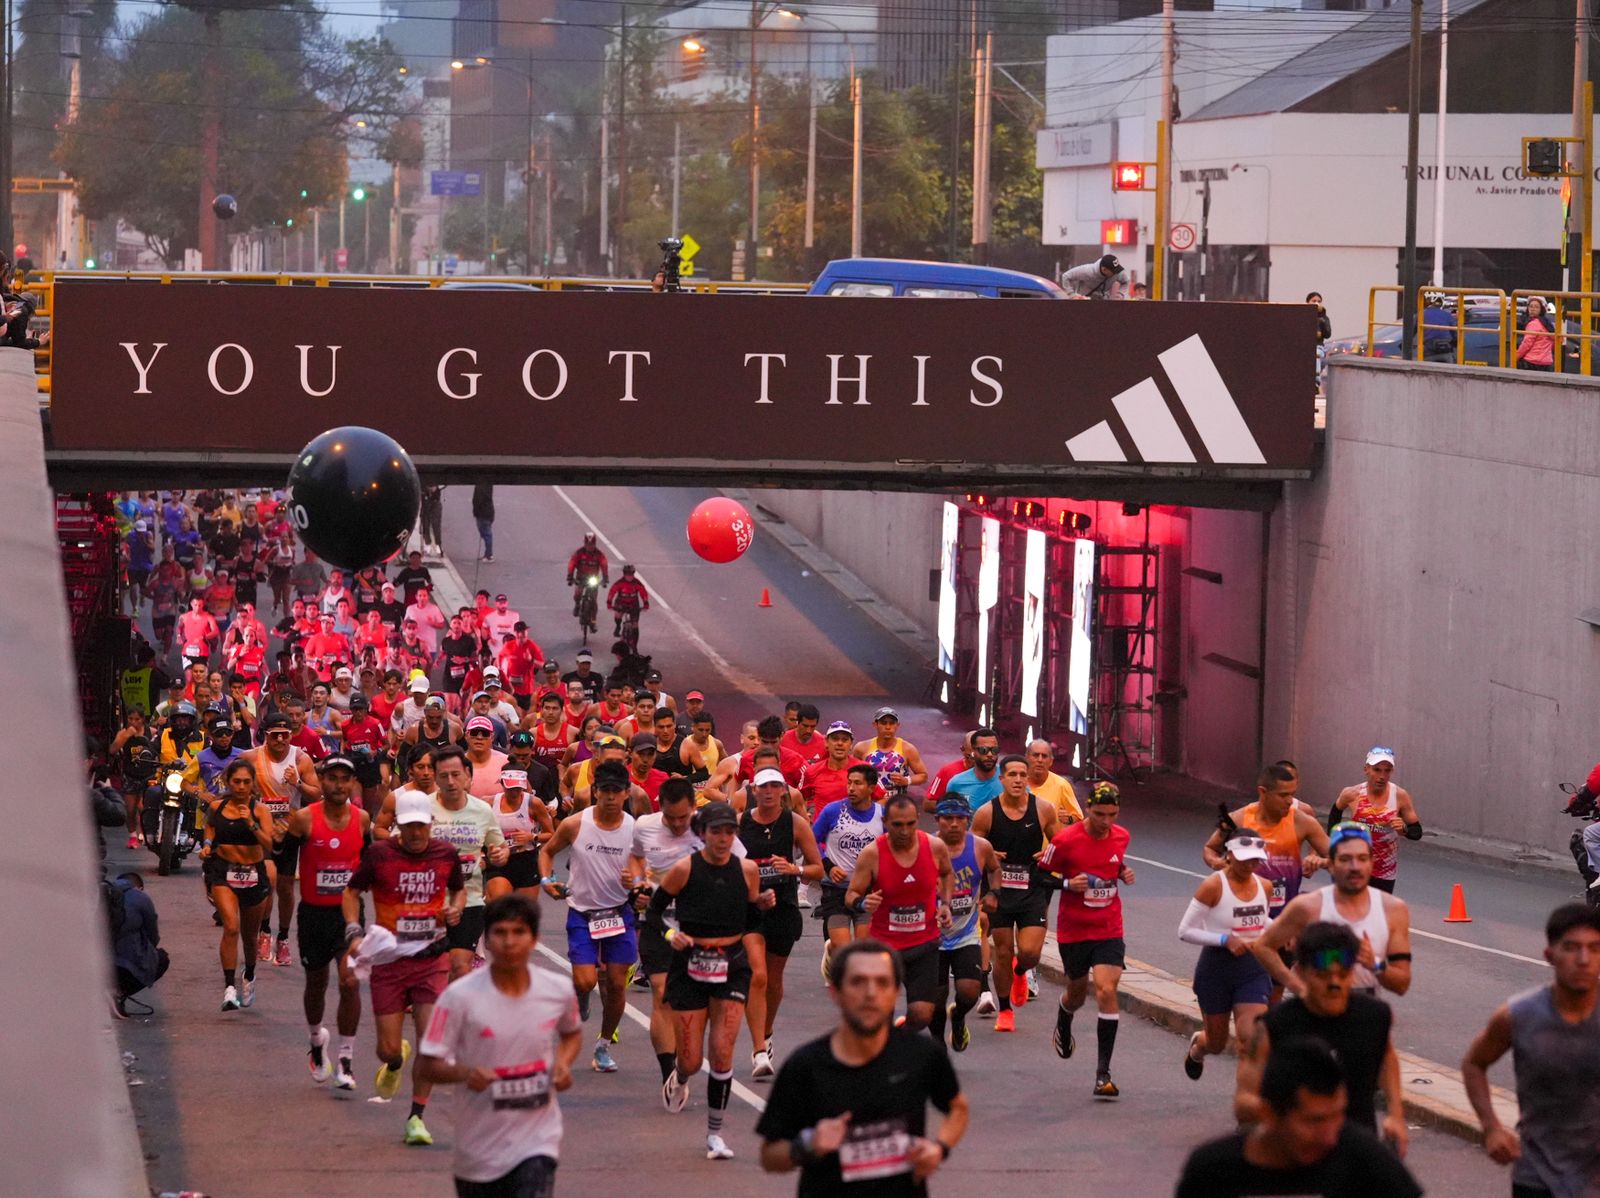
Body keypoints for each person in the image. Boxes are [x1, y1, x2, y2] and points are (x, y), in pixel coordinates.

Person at [757, 939, 968, 1195]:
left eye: (882, 983)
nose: (870, 993)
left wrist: (939, 1148)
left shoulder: (922, 1055)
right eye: (858, 982)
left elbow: (957, 1109)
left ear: (895, 993)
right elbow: (770, 1156)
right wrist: (808, 1145)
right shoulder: (806, 1065)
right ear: (835, 991)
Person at [417, 894, 582, 1196]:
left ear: (535, 939)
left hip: (537, 1140)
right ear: (487, 941)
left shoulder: (556, 990)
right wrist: (466, 1074)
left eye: (519, 932)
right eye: (500, 933)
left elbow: (572, 1032)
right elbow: (428, 1064)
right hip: (478, 1148)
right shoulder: (458, 998)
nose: (509, 942)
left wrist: (562, 1063)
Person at [343, 790, 466, 1146]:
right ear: (398, 826)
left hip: (432, 959)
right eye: (408, 827)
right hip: (390, 961)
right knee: (388, 1050)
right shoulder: (380, 854)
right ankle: (396, 1063)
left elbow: (458, 891)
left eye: (421, 826)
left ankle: (416, 1117)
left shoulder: (446, 854)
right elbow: (352, 893)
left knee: (431, 1044)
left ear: (431, 824)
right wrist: (353, 931)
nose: (415, 834)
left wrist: (455, 909)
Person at [647, 800, 763, 1160]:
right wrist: (671, 937)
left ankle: (715, 1135)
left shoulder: (747, 871)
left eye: (730, 831)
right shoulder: (684, 869)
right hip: (690, 966)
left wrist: (763, 906)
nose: (724, 838)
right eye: (716, 831)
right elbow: (653, 915)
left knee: (723, 1050)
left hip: (731, 964)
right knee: (693, 1059)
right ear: (702, 834)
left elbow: (752, 922)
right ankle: (680, 1077)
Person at [1462, 903, 1600, 1198]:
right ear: (1550, 956)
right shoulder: (1519, 1015)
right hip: (1536, 1178)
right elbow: (1474, 1064)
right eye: (1572, 948)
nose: (1584, 959)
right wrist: (1491, 1127)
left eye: (1594, 948)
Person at [1235, 922, 1407, 1152]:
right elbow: (1243, 1101)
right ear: (1301, 972)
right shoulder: (1273, 1026)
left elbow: (1387, 1057)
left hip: (1357, 1148)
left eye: (1343, 974)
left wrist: (1395, 1115)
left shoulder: (1375, 1016)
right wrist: (1293, 1115)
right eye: (1323, 975)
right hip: (1295, 1154)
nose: (1335, 983)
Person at [1178, 1036, 1421, 1198]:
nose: (1329, 1137)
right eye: (1313, 1121)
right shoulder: (1212, 1170)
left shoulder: (1363, 1156)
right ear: (1268, 1114)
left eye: (1336, 1116)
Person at [538, 761, 639, 1073]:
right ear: (595, 791)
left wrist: (634, 879)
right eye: (604, 790)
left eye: (615, 791)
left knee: (616, 986)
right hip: (582, 914)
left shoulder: (634, 828)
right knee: (586, 980)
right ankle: (581, 994)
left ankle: (603, 1045)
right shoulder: (576, 824)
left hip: (619, 913)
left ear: (626, 793)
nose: (609, 797)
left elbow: (643, 865)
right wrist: (547, 881)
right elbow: (546, 851)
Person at [1037, 780, 1131, 1098]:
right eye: (1100, 813)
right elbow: (1040, 875)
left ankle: (1103, 1074)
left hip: (1108, 928)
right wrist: (1066, 885)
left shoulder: (1122, 836)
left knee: (1106, 989)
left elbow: (1112, 865)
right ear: (1087, 808)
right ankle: (1065, 1016)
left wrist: (1122, 873)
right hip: (1074, 930)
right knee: (1077, 994)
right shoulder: (1065, 840)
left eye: (1112, 814)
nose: (1106, 822)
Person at [281, 754, 370, 1090]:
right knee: (316, 983)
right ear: (322, 781)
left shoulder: (361, 820)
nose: (338, 785)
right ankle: (317, 1040)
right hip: (313, 914)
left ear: (352, 783)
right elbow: (286, 870)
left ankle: (346, 1058)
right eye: (331, 778)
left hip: (348, 916)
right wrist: (281, 925)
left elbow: (371, 866)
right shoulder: (303, 819)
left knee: (350, 981)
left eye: (344, 779)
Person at [1250, 823, 1413, 999]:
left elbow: (1402, 984)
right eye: (1345, 859)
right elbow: (1263, 946)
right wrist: (1295, 986)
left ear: (1372, 863)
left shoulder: (1393, 910)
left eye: (1362, 858)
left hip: (1363, 1007)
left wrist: (1375, 964)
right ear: (1331, 864)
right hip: (1315, 1006)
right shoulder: (1307, 907)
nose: (1355, 867)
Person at [740, 766, 825, 1078]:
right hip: (750, 909)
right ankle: (758, 1049)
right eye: (763, 786)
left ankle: (768, 1030)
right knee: (757, 976)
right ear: (753, 790)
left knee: (773, 981)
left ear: (783, 792)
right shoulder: (742, 822)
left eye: (775, 786)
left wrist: (794, 870)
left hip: (784, 908)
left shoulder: (795, 823)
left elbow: (817, 868)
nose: (769, 792)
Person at [844, 795, 955, 1032]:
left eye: (910, 824)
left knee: (922, 1015)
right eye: (897, 825)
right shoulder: (872, 854)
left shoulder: (934, 847)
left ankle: (895, 1042)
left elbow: (947, 874)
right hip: (885, 948)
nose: (905, 831)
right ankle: (883, 1054)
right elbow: (851, 894)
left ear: (918, 821)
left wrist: (945, 904)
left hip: (924, 943)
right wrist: (863, 902)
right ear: (885, 822)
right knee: (880, 1016)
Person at [971, 754, 1061, 1029]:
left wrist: (1049, 850)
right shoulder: (987, 812)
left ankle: (1021, 971)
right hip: (998, 891)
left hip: (1032, 888)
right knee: (1003, 950)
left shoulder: (1043, 809)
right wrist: (988, 854)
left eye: (1023, 775)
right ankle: (1005, 1010)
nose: (1019, 780)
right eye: (1013, 775)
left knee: (1031, 952)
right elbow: (972, 849)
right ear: (1002, 779)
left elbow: (1064, 842)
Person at [1179, 835, 1273, 1080]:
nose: (1250, 866)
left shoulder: (1264, 886)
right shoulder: (1213, 886)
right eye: (1244, 860)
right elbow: (1185, 931)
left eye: (1255, 861)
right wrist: (1224, 940)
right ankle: (1198, 1047)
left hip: (1252, 968)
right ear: (1229, 855)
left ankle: (1249, 1101)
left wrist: (1283, 929)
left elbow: (1261, 921)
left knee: (1252, 1035)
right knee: (1217, 1043)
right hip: (1216, 969)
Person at [247, 712, 322, 968]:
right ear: (265, 735)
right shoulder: (251, 757)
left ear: (291, 735)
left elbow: (316, 793)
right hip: (263, 831)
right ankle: (265, 931)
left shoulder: (300, 758)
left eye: (285, 735)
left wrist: (297, 783)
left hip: (290, 831)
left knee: (286, 888)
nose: (280, 740)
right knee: (268, 879)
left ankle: (283, 937)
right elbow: (230, 781)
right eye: (274, 735)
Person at [430, 746, 510, 981]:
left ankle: (449, 1016)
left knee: (460, 967)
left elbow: (500, 847)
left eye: (456, 774)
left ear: (467, 775)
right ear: (435, 778)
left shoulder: (482, 810)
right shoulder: (422, 807)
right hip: (429, 901)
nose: (451, 782)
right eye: (443, 776)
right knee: (435, 970)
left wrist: (499, 855)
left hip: (470, 900)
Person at [202, 758, 276, 1011]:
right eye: (236, 781)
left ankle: (250, 973)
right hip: (224, 873)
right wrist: (207, 845)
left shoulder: (260, 810)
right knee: (231, 927)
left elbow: (269, 844)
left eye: (246, 782)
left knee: (248, 936)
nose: (241, 787)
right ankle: (229, 988)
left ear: (253, 783)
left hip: (254, 874)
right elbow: (210, 826)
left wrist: (251, 823)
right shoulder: (217, 806)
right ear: (228, 782)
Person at [929, 798, 1001, 1052]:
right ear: (938, 820)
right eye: (948, 818)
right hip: (932, 936)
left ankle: (958, 1018)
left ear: (967, 820)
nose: (954, 824)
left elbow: (993, 869)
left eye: (960, 818)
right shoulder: (925, 847)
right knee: (935, 1000)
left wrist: (993, 893)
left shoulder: (980, 846)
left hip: (966, 932)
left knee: (969, 991)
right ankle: (937, 1046)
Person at [813, 762, 885, 981]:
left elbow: (892, 848)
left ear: (871, 788)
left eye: (858, 784)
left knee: (862, 950)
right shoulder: (834, 811)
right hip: (836, 889)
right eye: (849, 783)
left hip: (867, 891)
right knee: (844, 951)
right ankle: (833, 951)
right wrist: (828, 865)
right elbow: (812, 840)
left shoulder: (882, 815)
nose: (851, 788)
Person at [1330, 747, 1421, 893]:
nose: (1382, 776)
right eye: (1377, 770)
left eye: (1387, 770)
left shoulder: (1400, 795)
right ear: (1366, 769)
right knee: (1352, 913)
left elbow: (1417, 831)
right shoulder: (1352, 793)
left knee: (1378, 914)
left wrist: (1404, 830)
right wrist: (1335, 844)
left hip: (1384, 871)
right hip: (1354, 867)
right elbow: (1335, 812)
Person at [109, 872, 169, 1019]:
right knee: (162, 959)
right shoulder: (141, 898)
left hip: (93, 961)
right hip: (125, 965)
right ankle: (119, 993)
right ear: (140, 887)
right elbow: (153, 936)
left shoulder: (102, 893)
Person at [853, 708, 927, 800]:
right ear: (875, 725)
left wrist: (906, 780)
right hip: (870, 802)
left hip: (897, 803)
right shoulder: (861, 748)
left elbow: (923, 775)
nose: (888, 727)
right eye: (884, 723)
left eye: (892, 723)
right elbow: (851, 775)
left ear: (897, 725)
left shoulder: (908, 749)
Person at [941, 728, 1001, 813]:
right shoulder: (956, 784)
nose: (990, 754)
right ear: (973, 751)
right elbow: (950, 817)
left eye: (994, 750)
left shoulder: (1010, 778)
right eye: (983, 750)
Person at [566, 533, 609, 617]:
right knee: (578, 594)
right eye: (588, 545)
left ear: (595, 544)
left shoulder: (599, 554)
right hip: (581, 577)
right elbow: (572, 563)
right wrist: (570, 575)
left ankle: (593, 620)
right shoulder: (579, 553)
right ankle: (577, 604)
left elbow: (604, 564)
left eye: (592, 545)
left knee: (593, 599)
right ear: (585, 544)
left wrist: (605, 577)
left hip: (593, 578)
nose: (590, 547)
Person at [1515, 295, 1557, 371]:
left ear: (1541, 309)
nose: (1532, 309)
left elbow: (1526, 344)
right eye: (1531, 306)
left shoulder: (1533, 323)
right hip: (1547, 363)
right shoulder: (1548, 324)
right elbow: (1554, 344)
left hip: (1531, 363)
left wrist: (1515, 357)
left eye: (1536, 307)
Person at [1061, 253, 1128, 299]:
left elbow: (1125, 281)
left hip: (1104, 303)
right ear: (1104, 269)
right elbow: (1066, 276)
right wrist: (1072, 295)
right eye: (1113, 271)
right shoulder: (1087, 271)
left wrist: (1119, 295)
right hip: (1083, 303)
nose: (1116, 273)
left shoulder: (1118, 273)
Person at [470, 483, 496, 563]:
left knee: (486, 533)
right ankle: (487, 554)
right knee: (484, 532)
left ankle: (489, 555)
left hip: (483, 512)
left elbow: (479, 499)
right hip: (484, 512)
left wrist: (476, 510)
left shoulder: (483, 485)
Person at [419, 484, 444, 557]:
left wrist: (435, 488)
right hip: (425, 505)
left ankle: (438, 545)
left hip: (435, 504)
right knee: (425, 526)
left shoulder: (436, 483)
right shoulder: (423, 485)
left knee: (436, 526)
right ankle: (428, 545)